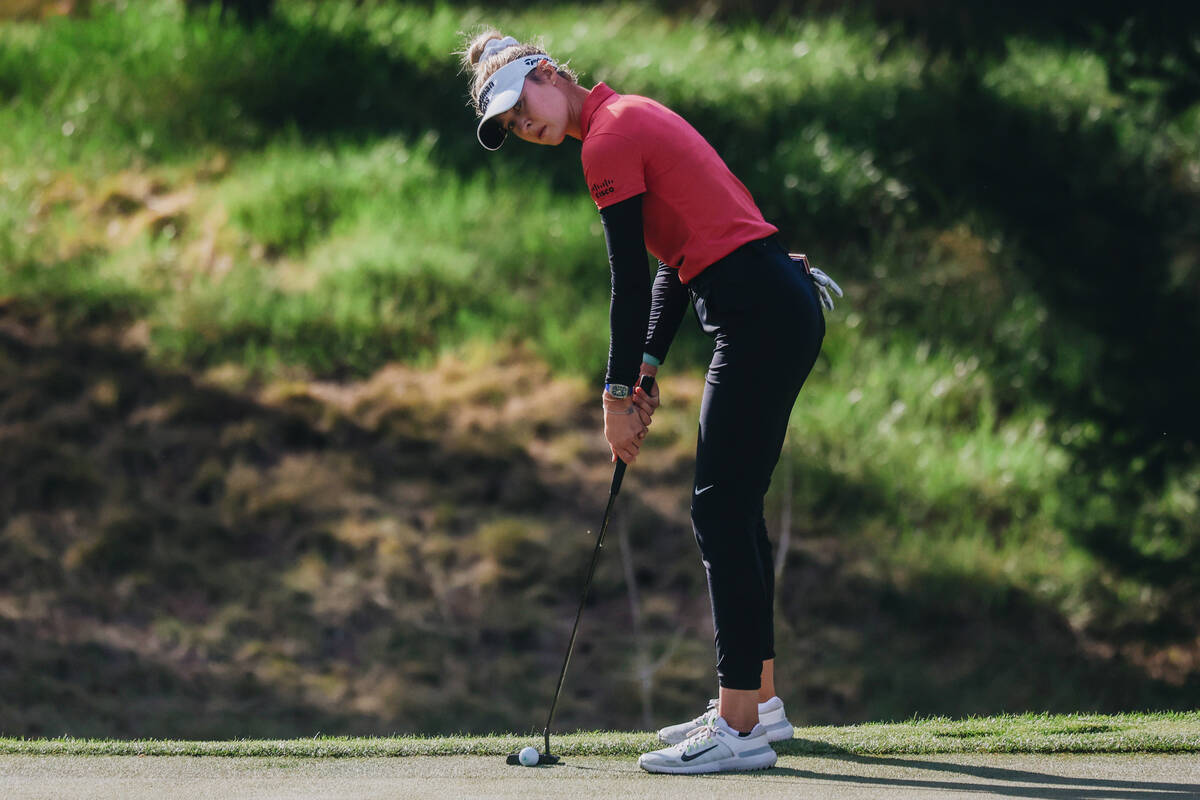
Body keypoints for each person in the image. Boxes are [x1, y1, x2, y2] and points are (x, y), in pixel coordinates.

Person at [460, 30, 831, 775]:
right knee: (735, 505)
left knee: (719, 509)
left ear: (549, 74)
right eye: (507, 125)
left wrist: (616, 395)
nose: (522, 125)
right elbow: (669, 267)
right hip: (770, 303)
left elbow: (627, 277)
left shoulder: (608, 139)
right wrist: (648, 364)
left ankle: (739, 728)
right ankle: (758, 704)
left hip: (758, 312)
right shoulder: (625, 119)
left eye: (519, 105)